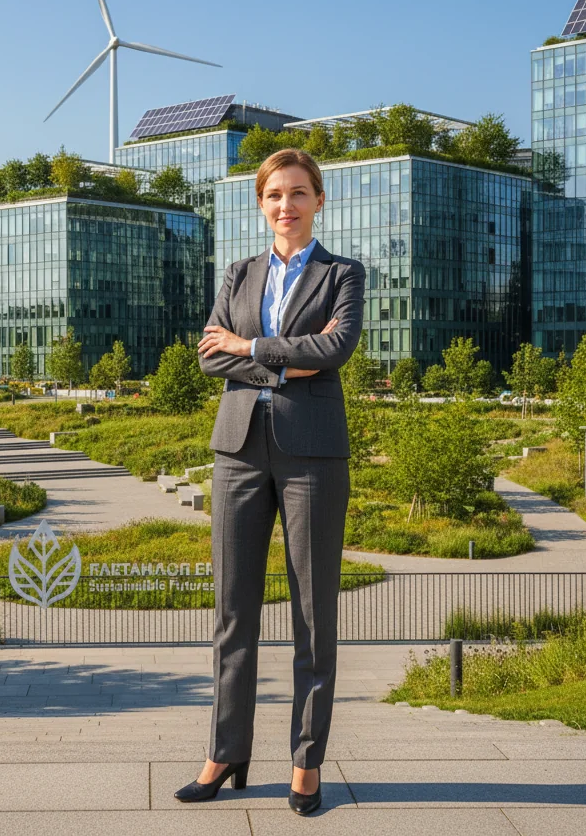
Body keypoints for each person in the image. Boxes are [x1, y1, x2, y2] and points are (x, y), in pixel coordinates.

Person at [175, 148, 365, 815]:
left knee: (313, 614)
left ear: (318, 200)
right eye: (274, 195)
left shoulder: (343, 274)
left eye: (299, 193)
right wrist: (288, 362)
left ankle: (306, 761)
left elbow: (336, 349)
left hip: (313, 456)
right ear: (261, 205)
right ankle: (226, 751)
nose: (286, 205)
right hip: (237, 451)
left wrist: (249, 347)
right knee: (233, 613)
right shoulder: (238, 273)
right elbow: (208, 357)